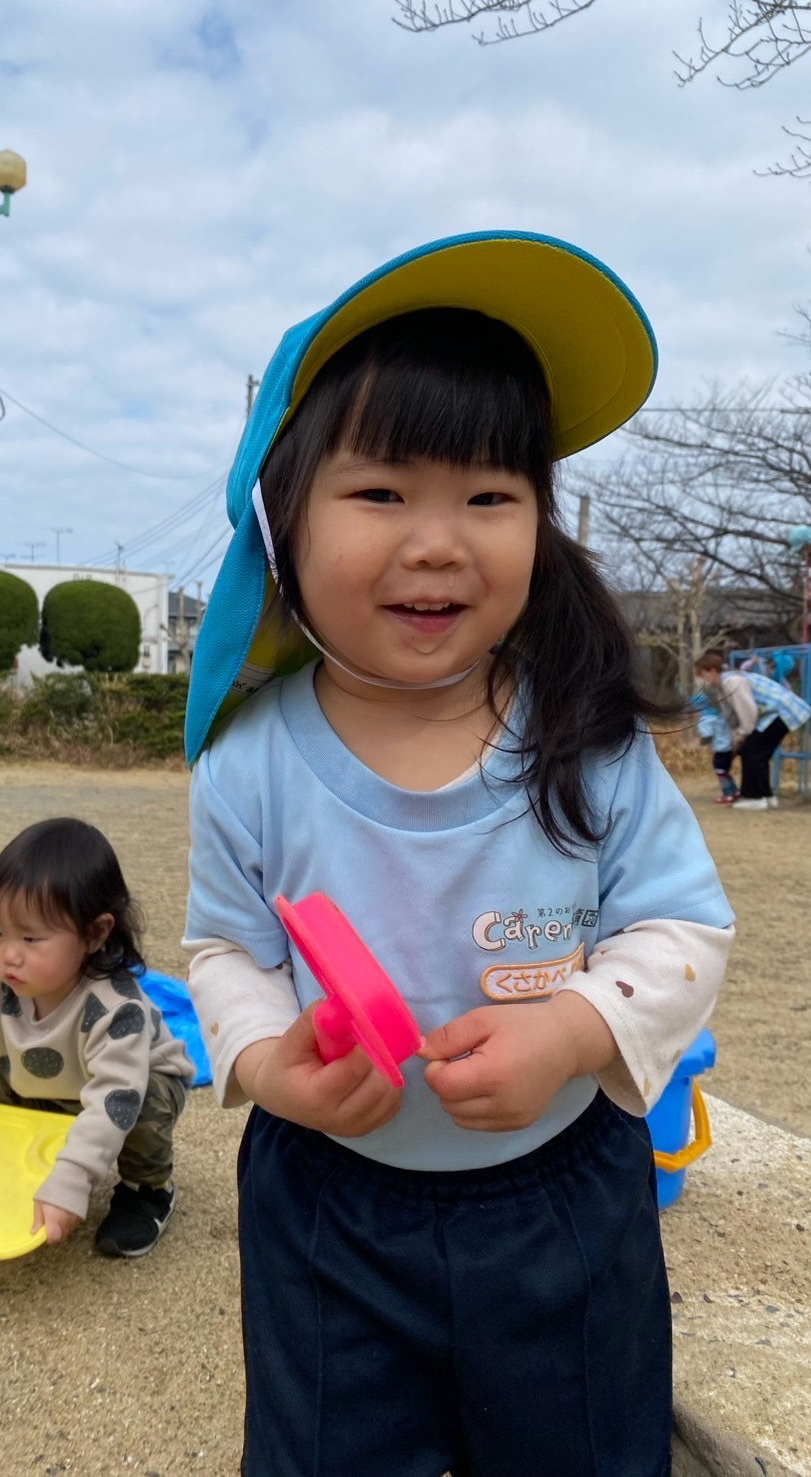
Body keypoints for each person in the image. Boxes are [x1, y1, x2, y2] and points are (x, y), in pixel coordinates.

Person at [182, 232, 734, 1476]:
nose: (438, 542)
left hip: (559, 1199)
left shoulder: (585, 735)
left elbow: (681, 927)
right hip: (327, 1203)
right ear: (279, 518)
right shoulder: (247, 763)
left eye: (490, 497)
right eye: (381, 493)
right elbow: (226, 948)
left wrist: (574, 1033)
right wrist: (267, 1063)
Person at [0, 817, 194, 1257]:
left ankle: (147, 1191)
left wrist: (73, 1177)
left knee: (141, 1105)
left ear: (95, 933)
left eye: (30, 937)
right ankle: (12, 1167)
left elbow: (113, 1098)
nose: (8, 954)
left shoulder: (115, 1007)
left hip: (132, 1086)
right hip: (52, 1082)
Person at [695, 648, 811, 811]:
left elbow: (748, 714)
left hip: (782, 711)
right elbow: (732, 719)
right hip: (775, 714)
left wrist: (742, 735)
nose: (700, 679)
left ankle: (754, 798)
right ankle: (766, 796)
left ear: (712, 671)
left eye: (701, 674)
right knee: (756, 753)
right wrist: (736, 740)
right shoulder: (723, 688)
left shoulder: (732, 682)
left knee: (752, 751)